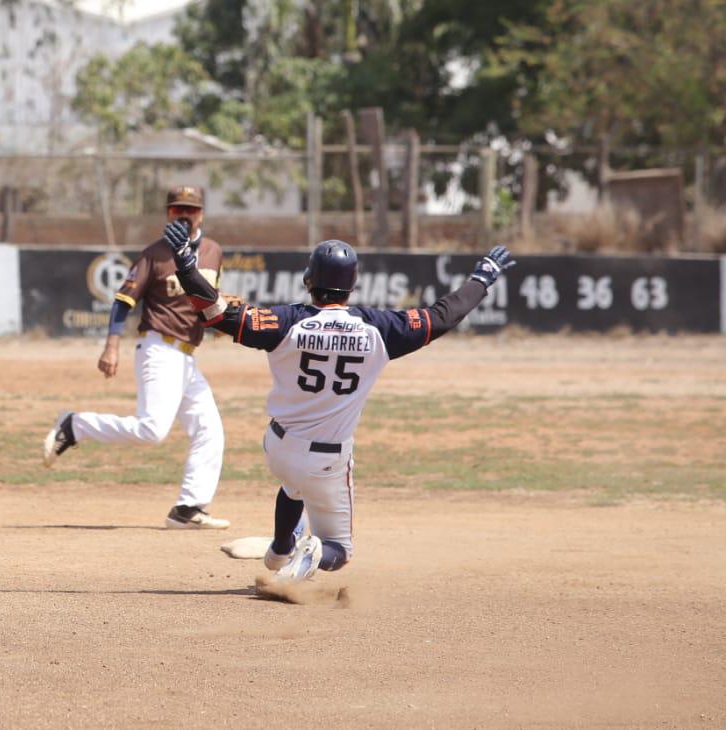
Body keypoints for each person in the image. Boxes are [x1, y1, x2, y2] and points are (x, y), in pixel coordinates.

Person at [162, 228, 516, 583]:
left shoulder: (285, 322)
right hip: (326, 461)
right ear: (353, 284)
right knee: (339, 550)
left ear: (308, 280)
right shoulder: (380, 329)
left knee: (292, 487)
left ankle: (279, 551)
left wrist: (186, 266)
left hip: (278, 448)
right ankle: (312, 552)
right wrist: (481, 278)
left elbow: (214, 312)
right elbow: (442, 316)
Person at [42, 185, 230, 531]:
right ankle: (74, 425)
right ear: (168, 213)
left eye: (190, 209)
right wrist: (111, 345)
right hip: (158, 349)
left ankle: (188, 508)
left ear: (201, 213)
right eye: (177, 210)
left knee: (210, 429)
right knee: (152, 430)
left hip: (188, 356)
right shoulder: (154, 255)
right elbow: (123, 301)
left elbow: (209, 301)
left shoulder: (214, 252)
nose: (184, 215)